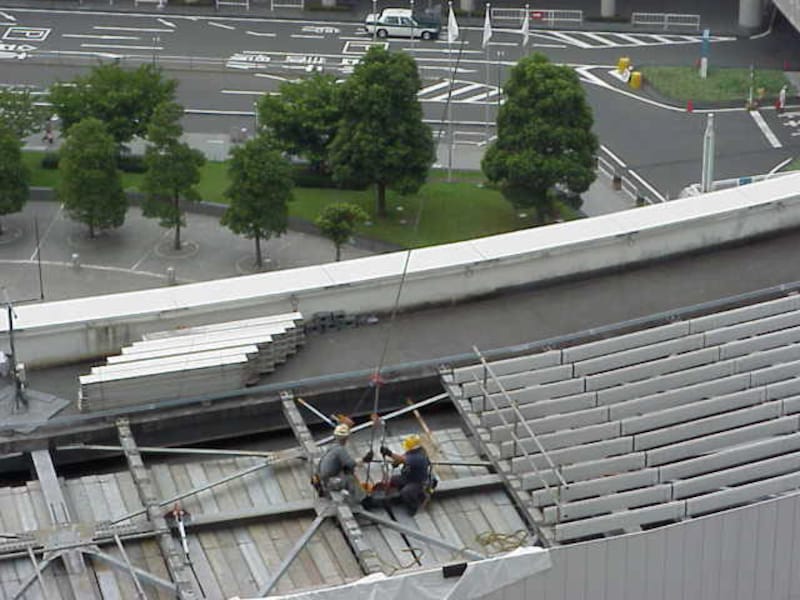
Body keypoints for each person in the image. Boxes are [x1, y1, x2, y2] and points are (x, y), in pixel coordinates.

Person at [314, 423, 372, 504]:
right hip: (330, 483)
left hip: (323, 479)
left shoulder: (332, 447)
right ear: (346, 438)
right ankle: (363, 500)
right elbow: (351, 463)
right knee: (351, 479)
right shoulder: (340, 450)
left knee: (347, 471)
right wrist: (365, 459)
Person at [379, 434, 434, 515]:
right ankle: (399, 496)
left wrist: (389, 453)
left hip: (418, 482)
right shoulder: (413, 452)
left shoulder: (419, 457)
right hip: (408, 476)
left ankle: (413, 506)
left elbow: (403, 459)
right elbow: (403, 457)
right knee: (393, 479)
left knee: (406, 492)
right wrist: (396, 463)